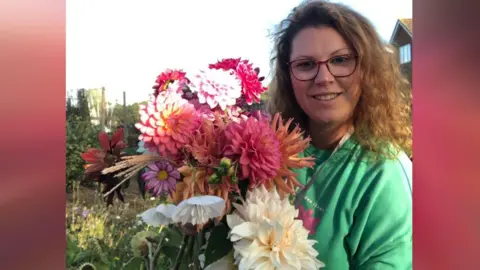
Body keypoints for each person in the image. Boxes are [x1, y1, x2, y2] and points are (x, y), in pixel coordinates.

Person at [267, 1, 412, 269]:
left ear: (366, 71)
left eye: (340, 60)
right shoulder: (271, 152)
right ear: (289, 76)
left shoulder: (384, 174)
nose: (323, 77)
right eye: (306, 64)